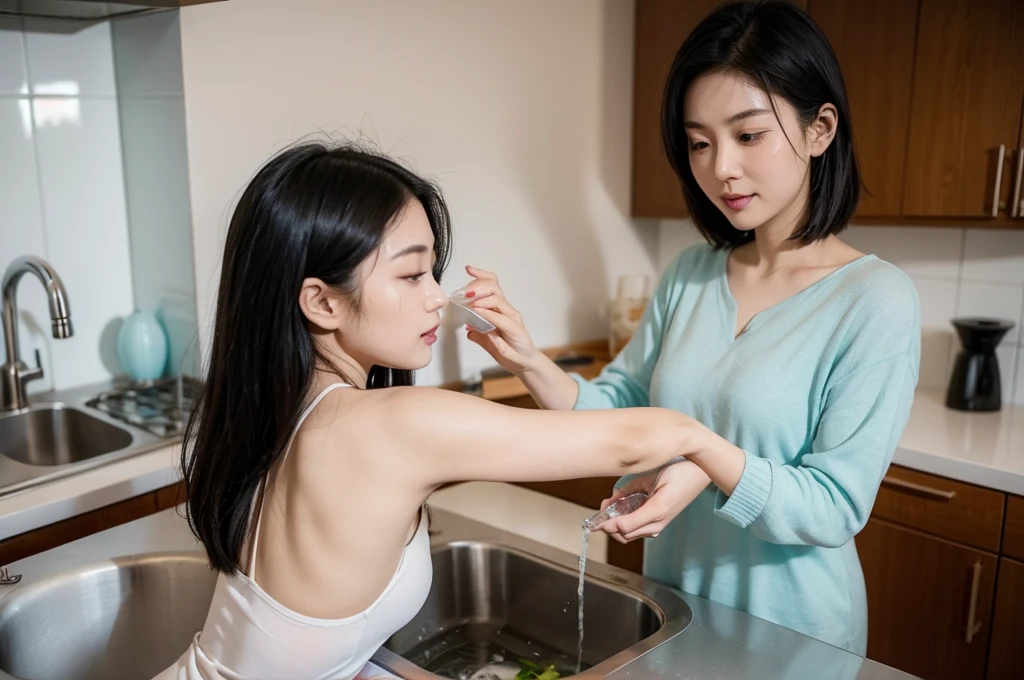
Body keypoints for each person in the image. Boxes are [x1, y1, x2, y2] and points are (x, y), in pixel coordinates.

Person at [459, 0, 920, 655]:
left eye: (749, 135)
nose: (720, 167)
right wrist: (529, 358)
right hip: (672, 607)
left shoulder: (875, 299)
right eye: (699, 142)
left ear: (820, 130)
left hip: (792, 634)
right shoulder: (689, 275)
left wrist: (704, 457)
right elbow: (618, 407)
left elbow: (833, 507)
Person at [157, 141, 717, 680]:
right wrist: (704, 448)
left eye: (432, 271)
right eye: (410, 274)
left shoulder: (282, 412)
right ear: (322, 301)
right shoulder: (392, 425)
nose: (436, 296)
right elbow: (632, 441)